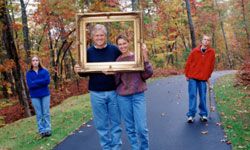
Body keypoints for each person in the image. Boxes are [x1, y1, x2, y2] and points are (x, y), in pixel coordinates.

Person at [74, 24, 122, 150]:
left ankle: (116, 148)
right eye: (97, 35)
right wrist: (78, 70)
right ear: (92, 37)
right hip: (96, 92)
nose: (99, 37)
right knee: (102, 125)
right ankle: (106, 148)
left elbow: (123, 68)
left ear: (105, 36)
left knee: (116, 123)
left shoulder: (114, 50)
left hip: (113, 91)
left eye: (102, 35)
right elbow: (84, 73)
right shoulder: (87, 52)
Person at [115, 35, 153, 150]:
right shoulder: (117, 61)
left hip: (138, 95)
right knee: (130, 128)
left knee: (141, 128)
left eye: (124, 43)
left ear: (129, 43)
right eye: (120, 44)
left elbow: (148, 74)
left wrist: (145, 56)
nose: (122, 46)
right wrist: (110, 72)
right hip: (123, 97)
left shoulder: (137, 57)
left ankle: (145, 148)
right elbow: (116, 81)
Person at [185, 35, 215, 123]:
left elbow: (211, 66)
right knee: (192, 95)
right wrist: (187, 75)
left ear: (209, 42)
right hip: (192, 77)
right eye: (204, 39)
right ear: (202, 41)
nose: (206, 41)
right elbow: (188, 63)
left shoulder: (211, 52)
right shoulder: (195, 51)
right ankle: (191, 115)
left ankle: (203, 114)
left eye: (208, 40)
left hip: (203, 78)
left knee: (202, 97)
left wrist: (207, 76)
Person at [26, 56, 52, 137]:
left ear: (39, 61)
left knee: (46, 113)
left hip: (45, 95)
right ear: (31, 62)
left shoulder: (44, 71)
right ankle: (42, 130)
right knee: (39, 114)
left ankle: (48, 129)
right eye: (33, 60)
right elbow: (30, 85)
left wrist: (35, 82)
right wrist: (41, 82)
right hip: (35, 96)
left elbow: (47, 81)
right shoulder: (28, 73)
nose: (35, 62)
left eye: (36, 60)